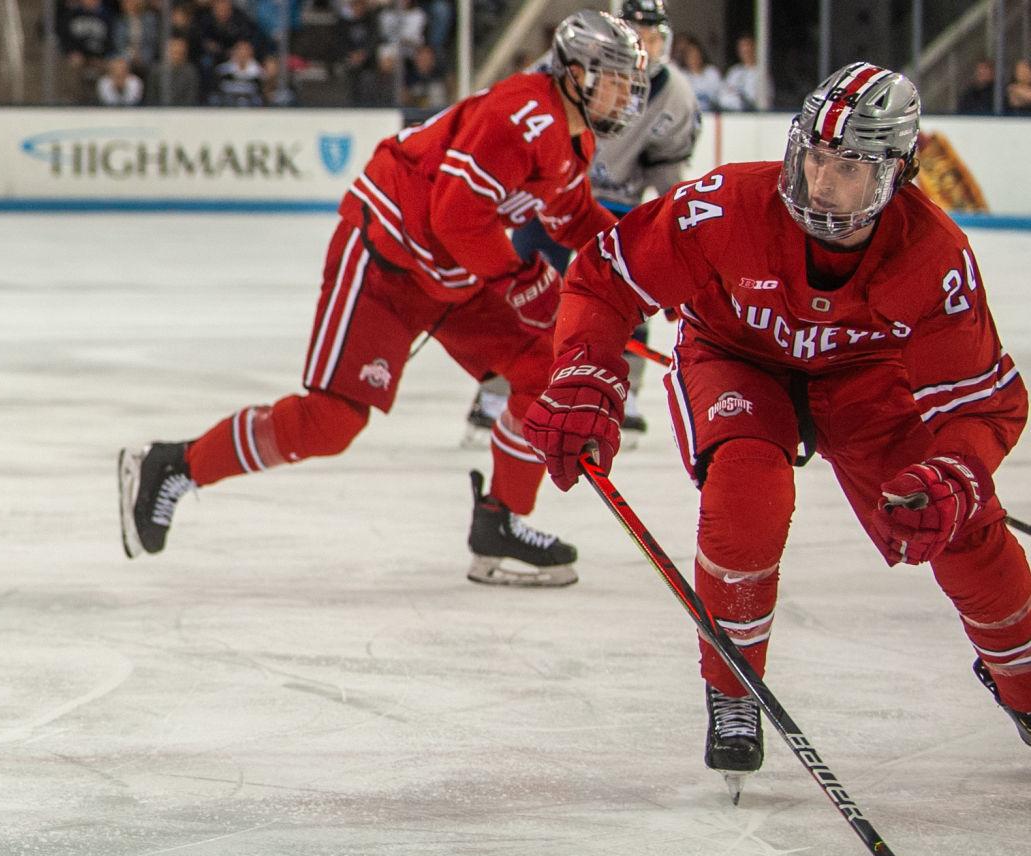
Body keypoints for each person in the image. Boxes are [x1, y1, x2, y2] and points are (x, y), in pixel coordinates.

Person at [524, 64, 1030, 789]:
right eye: (813, 157)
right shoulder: (724, 204)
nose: (821, 183)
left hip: (863, 380)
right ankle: (733, 687)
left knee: (963, 527)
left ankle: (1024, 687)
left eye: (848, 168)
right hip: (736, 359)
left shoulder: (934, 255)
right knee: (745, 491)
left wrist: (956, 470)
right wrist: (583, 373)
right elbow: (604, 278)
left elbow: (980, 405)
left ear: (897, 173)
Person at [118, 10, 649, 588]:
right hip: (385, 253)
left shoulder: (574, 139)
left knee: (542, 369)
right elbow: (455, 215)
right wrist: (526, 280)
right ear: (576, 73)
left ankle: (500, 522)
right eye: (616, 76)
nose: (626, 93)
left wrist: (648, 266)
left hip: (451, 267)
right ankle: (173, 465)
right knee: (331, 422)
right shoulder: (519, 117)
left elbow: (572, 217)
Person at [469, 0, 699, 444]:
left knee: (631, 286)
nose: (647, 51)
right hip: (554, 188)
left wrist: (674, 234)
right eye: (640, 38)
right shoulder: (574, 62)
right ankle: (497, 391)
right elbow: (524, 118)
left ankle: (623, 392)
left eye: (654, 39)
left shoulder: (675, 95)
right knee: (525, 285)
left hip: (617, 202)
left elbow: (666, 170)